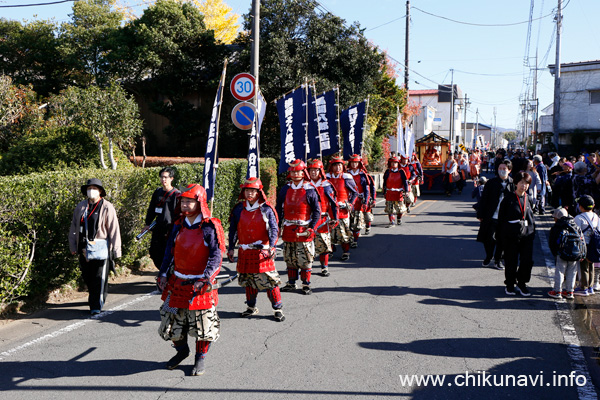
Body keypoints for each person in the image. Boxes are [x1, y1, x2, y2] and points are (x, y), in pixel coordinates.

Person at [157, 184, 225, 376]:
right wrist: (162, 274)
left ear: (199, 202)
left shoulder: (210, 227)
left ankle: (199, 359)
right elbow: (169, 253)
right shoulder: (178, 225)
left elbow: (216, 256)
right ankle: (182, 351)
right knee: (169, 324)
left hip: (199, 285)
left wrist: (206, 278)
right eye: (183, 201)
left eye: (189, 201)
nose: (185, 205)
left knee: (204, 326)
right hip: (177, 282)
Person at [228, 177, 284, 321]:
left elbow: (273, 228)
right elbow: (233, 229)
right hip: (245, 251)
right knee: (249, 281)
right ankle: (251, 307)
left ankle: (277, 309)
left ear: (259, 192)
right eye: (247, 190)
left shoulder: (266, 208)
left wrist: (272, 246)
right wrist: (231, 248)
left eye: (253, 191)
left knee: (270, 282)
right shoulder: (239, 209)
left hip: (262, 251)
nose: (250, 194)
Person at [69, 178, 122, 315]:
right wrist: (73, 245)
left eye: (94, 188)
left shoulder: (106, 206)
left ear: (100, 191)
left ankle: (95, 305)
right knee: (88, 276)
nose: (91, 191)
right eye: (89, 188)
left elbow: (114, 229)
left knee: (99, 278)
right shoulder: (81, 206)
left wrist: (116, 250)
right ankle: (97, 297)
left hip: (101, 248)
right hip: (84, 248)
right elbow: (74, 227)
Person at [276, 159, 321, 294]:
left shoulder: (310, 189)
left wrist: (312, 227)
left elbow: (317, 211)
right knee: (289, 256)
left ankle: (306, 284)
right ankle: (291, 283)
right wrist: (277, 226)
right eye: (293, 172)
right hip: (288, 228)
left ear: (303, 173)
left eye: (298, 171)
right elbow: (278, 209)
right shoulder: (285, 189)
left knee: (305, 258)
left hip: (304, 229)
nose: (296, 174)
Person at [498, 171, 535, 296]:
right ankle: (509, 284)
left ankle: (522, 283)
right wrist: (501, 236)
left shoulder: (529, 199)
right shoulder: (508, 198)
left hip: (527, 236)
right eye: (521, 183)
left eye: (526, 183)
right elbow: (501, 218)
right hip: (511, 236)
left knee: (526, 261)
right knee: (511, 261)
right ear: (516, 183)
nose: (523, 186)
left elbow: (531, 218)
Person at [476, 159, 515, 270]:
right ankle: (489, 255)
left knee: (502, 240)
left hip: (505, 218)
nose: (502, 171)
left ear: (509, 170)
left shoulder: (513, 183)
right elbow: (484, 200)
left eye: (504, 169)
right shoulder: (491, 183)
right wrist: (480, 214)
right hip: (491, 215)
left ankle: (498, 260)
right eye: (500, 168)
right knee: (488, 238)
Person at [142, 167, 180, 269]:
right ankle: (162, 271)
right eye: (162, 177)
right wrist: (147, 223)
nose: (163, 179)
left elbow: (179, 213)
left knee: (168, 252)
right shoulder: (157, 192)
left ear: (171, 178)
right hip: (157, 228)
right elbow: (151, 209)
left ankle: (167, 274)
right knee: (154, 252)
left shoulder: (176, 195)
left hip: (170, 229)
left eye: (166, 177)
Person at [307, 159, 338, 277]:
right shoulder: (305, 185)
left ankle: (324, 267)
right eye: (311, 170)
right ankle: (306, 268)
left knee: (324, 245)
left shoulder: (326, 185)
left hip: (323, 220)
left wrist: (335, 218)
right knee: (306, 246)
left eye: (316, 170)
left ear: (320, 171)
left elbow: (333, 204)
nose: (313, 172)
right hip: (307, 220)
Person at [326, 155, 358, 260]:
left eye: (339, 165)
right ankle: (330, 249)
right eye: (335, 165)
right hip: (329, 210)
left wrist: (350, 203)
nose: (338, 167)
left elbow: (355, 193)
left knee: (344, 232)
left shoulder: (347, 178)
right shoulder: (326, 178)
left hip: (342, 210)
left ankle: (346, 251)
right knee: (328, 232)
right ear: (331, 166)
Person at [548, 208, 583, 300]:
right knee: (572, 272)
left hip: (562, 253)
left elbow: (552, 242)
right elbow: (581, 240)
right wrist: (582, 253)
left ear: (557, 217)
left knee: (560, 271)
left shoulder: (558, 227)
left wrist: (555, 253)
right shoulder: (574, 224)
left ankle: (557, 291)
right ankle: (569, 292)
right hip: (575, 253)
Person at [573, 195, 598, 296]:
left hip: (584, 245)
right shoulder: (596, 216)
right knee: (591, 265)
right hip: (594, 245)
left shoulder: (579, 218)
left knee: (583, 266)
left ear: (581, 207)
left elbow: (576, 232)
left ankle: (583, 287)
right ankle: (590, 286)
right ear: (593, 206)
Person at [347, 154, 371, 248]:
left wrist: (366, 200)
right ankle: (349, 239)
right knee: (348, 222)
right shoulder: (346, 174)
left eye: (356, 162)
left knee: (357, 222)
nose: (354, 164)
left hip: (359, 201)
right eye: (352, 162)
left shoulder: (362, 175)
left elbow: (366, 189)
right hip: (348, 201)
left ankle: (355, 240)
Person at [383, 155, 409, 227]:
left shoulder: (401, 172)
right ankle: (391, 221)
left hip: (398, 193)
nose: (394, 164)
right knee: (389, 209)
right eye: (392, 163)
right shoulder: (387, 172)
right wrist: (384, 191)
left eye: (395, 163)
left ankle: (399, 218)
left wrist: (406, 191)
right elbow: (384, 182)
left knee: (399, 209)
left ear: (398, 163)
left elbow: (405, 182)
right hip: (389, 192)